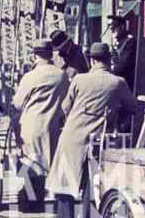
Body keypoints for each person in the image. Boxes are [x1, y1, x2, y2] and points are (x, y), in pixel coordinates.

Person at [46, 42, 138, 217]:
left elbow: (65, 108)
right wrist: (115, 120)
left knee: (65, 188)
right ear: (108, 60)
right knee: (94, 185)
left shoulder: (80, 80)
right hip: (99, 141)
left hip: (72, 139)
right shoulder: (118, 83)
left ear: (93, 61)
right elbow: (132, 107)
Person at [12, 39, 69, 178]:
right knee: (50, 170)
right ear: (51, 55)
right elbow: (68, 102)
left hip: (31, 130)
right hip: (53, 129)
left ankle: (32, 197)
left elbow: (17, 104)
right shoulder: (62, 75)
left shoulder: (30, 76)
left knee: (31, 174)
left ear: (35, 56)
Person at [108, 14, 137, 90]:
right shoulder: (116, 43)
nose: (111, 30)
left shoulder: (130, 41)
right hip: (117, 82)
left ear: (122, 27)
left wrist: (109, 68)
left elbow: (123, 66)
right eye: (109, 27)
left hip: (127, 84)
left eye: (114, 27)